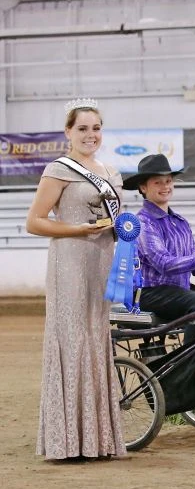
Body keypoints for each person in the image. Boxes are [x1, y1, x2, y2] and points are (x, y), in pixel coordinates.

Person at [26, 98, 127, 461]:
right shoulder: (59, 169)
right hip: (70, 259)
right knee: (72, 338)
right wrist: (75, 229)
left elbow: (118, 220)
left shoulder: (109, 170)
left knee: (96, 337)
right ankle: (66, 440)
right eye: (82, 128)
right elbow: (34, 221)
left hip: (101, 260)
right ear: (68, 132)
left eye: (96, 128)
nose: (90, 134)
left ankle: (96, 440)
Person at [122, 154, 195, 326]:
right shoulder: (143, 223)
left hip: (179, 290)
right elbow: (165, 264)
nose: (165, 186)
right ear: (143, 187)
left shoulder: (180, 222)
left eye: (168, 181)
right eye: (158, 182)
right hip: (148, 293)